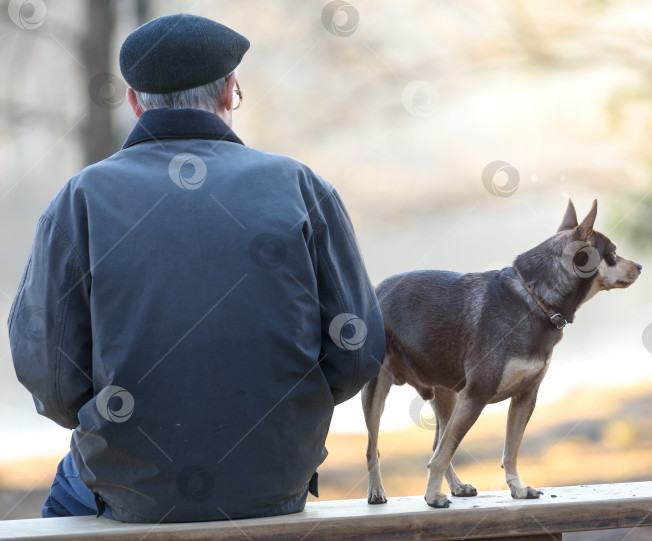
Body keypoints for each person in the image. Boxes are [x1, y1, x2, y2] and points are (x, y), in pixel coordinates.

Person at [7, 13, 384, 523]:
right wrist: (286, 412)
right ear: (230, 91)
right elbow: (357, 352)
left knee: (63, 502)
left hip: (129, 488)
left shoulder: (81, 200)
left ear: (135, 100)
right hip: (276, 478)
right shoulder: (300, 187)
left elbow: (50, 376)